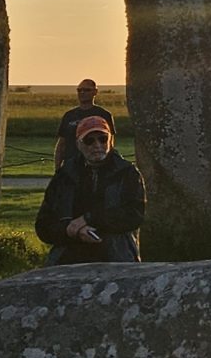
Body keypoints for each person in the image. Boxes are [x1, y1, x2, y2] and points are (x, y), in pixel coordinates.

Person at [36, 112, 146, 265]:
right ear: (78, 144)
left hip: (116, 256)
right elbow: (44, 225)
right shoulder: (64, 176)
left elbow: (134, 215)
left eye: (103, 139)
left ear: (111, 141)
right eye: (89, 140)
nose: (97, 145)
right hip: (69, 258)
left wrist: (89, 219)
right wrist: (71, 231)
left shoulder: (127, 173)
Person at [53, 77, 115, 169]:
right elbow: (61, 143)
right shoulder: (69, 115)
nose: (82, 93)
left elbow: (110, 142)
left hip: (96, 165)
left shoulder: (103, 115)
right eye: (79, 90)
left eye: (86, 90)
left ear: (95, 92)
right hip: (71, 165)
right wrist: (58, 168)